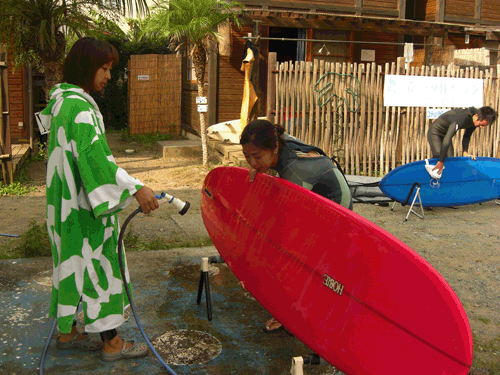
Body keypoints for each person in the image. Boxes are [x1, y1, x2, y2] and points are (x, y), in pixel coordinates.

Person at [42, 37, 159, 362]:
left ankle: (68, 334)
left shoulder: (61, 103)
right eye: (104, 68)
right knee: (99, 268)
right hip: (84, 210)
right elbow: (96, 161)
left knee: (70, 267)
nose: (108, 76)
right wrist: (136, 186)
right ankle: (112, 343)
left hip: (62, 207)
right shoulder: (80, 108)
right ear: (86, 67)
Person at [239, 119, 353, 333]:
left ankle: (288, 312)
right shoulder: (276, 137)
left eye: (257, 156)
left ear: (273, 148)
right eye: (247, 157)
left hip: (338, 208)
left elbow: (292, 227)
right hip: (315, 195)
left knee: (295, 255)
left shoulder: (295, 172)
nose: (252, 163)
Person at [427, 106, 497, 175]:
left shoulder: (475, 121)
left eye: (483, 126)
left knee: (451, 159)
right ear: (477, 116)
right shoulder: (462, 118)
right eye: (481, 124)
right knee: (439, 157)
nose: (481, 127)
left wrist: (465, 151)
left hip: (445, 134)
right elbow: (448, 138)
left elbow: (467, 136)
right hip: (435, 132)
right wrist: (440, 161)